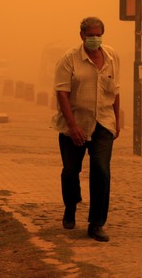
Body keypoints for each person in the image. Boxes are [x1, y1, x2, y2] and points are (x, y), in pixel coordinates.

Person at [52, 17, 121, 242]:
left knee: (101, 170)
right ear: (82, 35)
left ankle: (96, 223)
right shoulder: (69, 59)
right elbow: (62, 92)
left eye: (98, 34)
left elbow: (115, 91)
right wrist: (72, 126)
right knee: (71, 171)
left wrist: (116, 121)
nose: (94, 39)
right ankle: (70, 205)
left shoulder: (111, 57)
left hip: (103, 123)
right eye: (90, 35)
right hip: (75, 124)